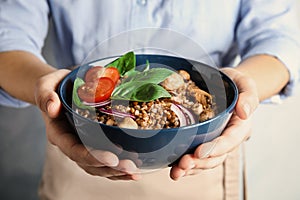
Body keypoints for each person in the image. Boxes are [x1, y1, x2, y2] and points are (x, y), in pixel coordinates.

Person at [0, 0, 299, 199]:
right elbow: (7, 38)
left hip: (201, 157)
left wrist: (244, 87)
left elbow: (279, 38)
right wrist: (47, 88)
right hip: (79, 146)